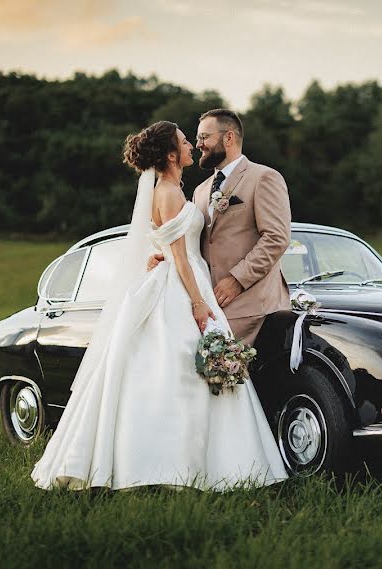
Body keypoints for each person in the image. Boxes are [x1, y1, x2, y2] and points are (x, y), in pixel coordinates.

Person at [31, 121, 288, 491]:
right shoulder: (177, 192)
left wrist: (160, 256)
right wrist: (198, 300)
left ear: (228, 137)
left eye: (199, 138)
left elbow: (261, 237)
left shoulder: (232, 183)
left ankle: (202, 462)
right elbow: (182, 254)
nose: (194, 146)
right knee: (180, 374)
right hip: (188, 289)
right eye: (187, 142)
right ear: (171, 155)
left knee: (187, 374)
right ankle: (187, 465)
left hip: (203, 287)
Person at [147, 109, 291, 346]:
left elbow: (276, 238)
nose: (198, 144)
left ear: (229, 138)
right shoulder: (200, 191)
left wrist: (237, 280)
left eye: (204, 137)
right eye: (196, 138)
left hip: (255, 310)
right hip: (209, 307)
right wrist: (167, 256)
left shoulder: (263, 177)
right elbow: (195, 241)